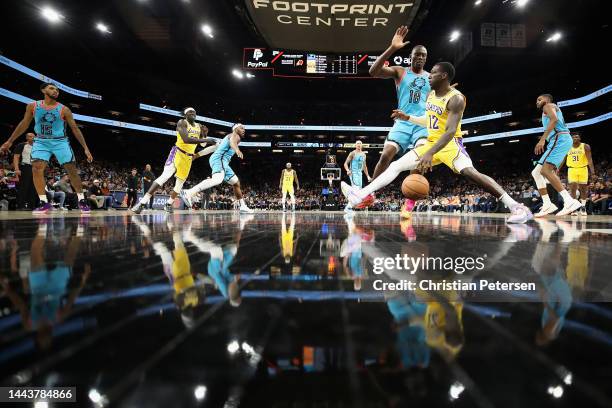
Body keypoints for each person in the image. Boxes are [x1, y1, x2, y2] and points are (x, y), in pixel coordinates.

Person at [342, 62, 533, 224]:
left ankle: (516, 207)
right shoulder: (431, 95)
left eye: (432, 73)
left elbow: (450, 131)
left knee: (471, 173)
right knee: (396, 165)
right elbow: (430, 119)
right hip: (431, 143)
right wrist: (408, 117)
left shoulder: (456, 99)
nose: (429, 76)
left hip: (450, 145)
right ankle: (360, 194)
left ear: (443, 76)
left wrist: (429, 153)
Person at [0, 83, 92, 213]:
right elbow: (24, 124)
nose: (55, 91)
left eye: (57, 90)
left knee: (71, 169)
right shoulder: (33, 106)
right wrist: (10, 141)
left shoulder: (64, 109)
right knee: (36, 168)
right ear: (43, 90)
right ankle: (44, 202)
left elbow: (75, 129)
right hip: (41, 140)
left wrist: (85, 148)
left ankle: (82, 199)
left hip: (60, 141)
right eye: (52, 88)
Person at [368, 26, 430, 218]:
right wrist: (392, 48)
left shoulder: (431, 78)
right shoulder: (400, 72)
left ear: (426, 59)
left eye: (423, 56)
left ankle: (409, 204)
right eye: (417, 55)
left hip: (421, 123)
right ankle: (368, 193)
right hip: (402, 122)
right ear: (410, 57)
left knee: (420, 160)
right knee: (386, 154)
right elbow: (373, 71)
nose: (420, 58)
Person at [131, 107, 216, 214]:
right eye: (190, 112)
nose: (193, 113)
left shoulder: (199, 126)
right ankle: (142, 203)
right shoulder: (182, 122)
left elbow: (202, 144)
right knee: (165, 176)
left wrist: (204, 134)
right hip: (178, 153)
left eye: (194, 112)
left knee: (180, 184)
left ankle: (169, 204)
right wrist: (206, 139)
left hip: (188, 157)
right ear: (185, 115)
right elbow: (186, 139)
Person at [180, 124, 254, 213]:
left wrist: (196, 155)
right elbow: (233, 142)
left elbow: (212, 148)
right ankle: (188, 193)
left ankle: (242, 206)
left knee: (236, 182)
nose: (243, 130)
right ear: (235, 129)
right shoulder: (235, 136)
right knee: (217, 180)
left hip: (222, 162)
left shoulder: (224, 140)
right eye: (241, 128)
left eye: (244, 128)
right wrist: (237, 150)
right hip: (220, 160)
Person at [531, 94, 582, 217]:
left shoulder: (548, 106)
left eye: (539, 99)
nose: (537, 102)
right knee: (536, 173)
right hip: (557, 139)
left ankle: (569, 201)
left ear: (547, 99)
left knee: (546, 170)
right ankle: (547, 204)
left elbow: (554, 119)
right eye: (536, 100)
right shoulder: (548, 108)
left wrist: (542, 139)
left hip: (559, 138)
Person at [558, 133, 594, 216]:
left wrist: (593, 172)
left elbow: (590, 159)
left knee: (583, 189)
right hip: (572, 169)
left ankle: (583, 207)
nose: (575, 138)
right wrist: (558, 168)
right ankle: (574, 208)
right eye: (573, 137)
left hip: (583, 169)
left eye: (577, 136)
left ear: (580, 138)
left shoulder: (585, 146)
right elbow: (563, 159)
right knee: (573, 189)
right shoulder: (567, 147)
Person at [343, 140, 371, 212]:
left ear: (362, 145)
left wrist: (367, 176)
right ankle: (349, 207)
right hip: (353, 173)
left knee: (358, 190)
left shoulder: (363, 155)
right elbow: (345, 163)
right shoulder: (352, 153)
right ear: (355, 145)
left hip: (360, 173)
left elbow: (364, 166)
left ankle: (349, 206)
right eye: (357, 144)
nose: (358, 145)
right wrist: (348, 170)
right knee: (356, 189)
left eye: (360, 144)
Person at [13, 132, 37, 209]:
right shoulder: (22, 145)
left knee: (33, 187)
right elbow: (16, 157)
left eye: (33, 136)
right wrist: (17, 169)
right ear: (27, 138)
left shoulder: (37, 147)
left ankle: (31, 205)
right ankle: (20, 205)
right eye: (30, 136)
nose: (32, 138)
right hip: (25, 167)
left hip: (35, 168)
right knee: (24, 186)